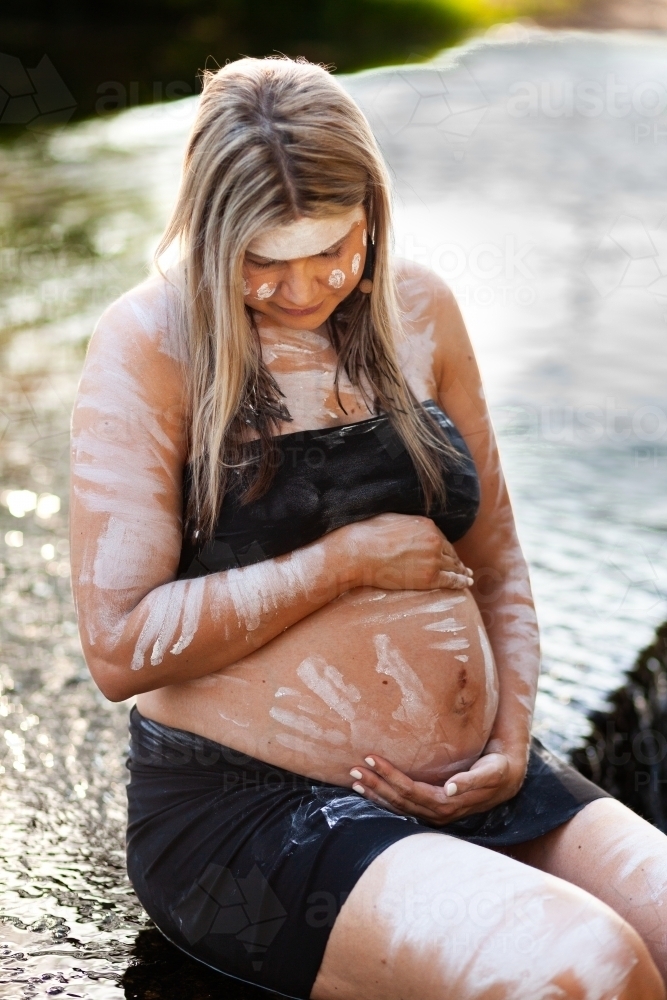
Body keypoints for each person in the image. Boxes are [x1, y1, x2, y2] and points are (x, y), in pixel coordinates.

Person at [70, 56, 667, 1000]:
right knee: (586, 972)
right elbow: (119, 646)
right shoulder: (151, 344)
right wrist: (341, 564)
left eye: (332, 251)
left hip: (480, 785)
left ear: (371, 217)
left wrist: (510, 738)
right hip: (257, 814)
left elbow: (499, 563)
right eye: (262, 262)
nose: (302, 288)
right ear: (209, 232)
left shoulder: (419, 309)